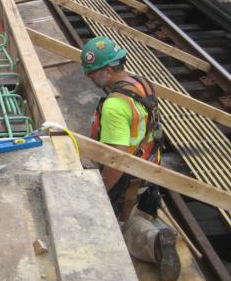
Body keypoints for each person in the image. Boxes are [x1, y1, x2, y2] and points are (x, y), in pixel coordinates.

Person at [81, 36, 181, 281]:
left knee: (124, 229)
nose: (91, 79)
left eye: (92, 74)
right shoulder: (141, 83)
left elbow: (117, 159)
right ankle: (148, 223)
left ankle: (154, 241)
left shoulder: (115, 106)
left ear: (106, 70)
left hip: (129, 181)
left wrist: (102, 194)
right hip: (149, 171)